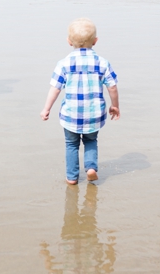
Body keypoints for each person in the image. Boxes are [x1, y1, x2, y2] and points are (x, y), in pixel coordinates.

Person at [41, 18, 120, 184]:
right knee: (91, 140)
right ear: (95, 41)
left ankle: (72, 177)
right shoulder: (102, 62)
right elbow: (112, 87)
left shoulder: (64, 64)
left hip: (71, 115)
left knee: (71, 144)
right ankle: (91, 168)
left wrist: (46, 108)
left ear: (69, 42)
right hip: (94, 114)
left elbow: (55, 88)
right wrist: (115, 106)